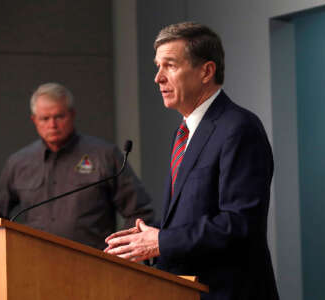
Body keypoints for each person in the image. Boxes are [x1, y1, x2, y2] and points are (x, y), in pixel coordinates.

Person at [104, 22, 279, 299]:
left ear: (206, 71)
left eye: (170, 65)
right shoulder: (183, 132)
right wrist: (151, 236)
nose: (158, 77)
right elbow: (194, 215)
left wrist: (161, 241)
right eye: (157, 66)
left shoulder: (239, 127)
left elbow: (240, 224)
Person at [0, 82, 154, 250]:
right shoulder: (19, 163)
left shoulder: (104, 155)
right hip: (33, 264)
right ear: (34, 120)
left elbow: (139, 211)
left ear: (72, 114)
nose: (52, 125)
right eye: (45, 118)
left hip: (93, 264)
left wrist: (120, 250)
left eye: (59, 116)